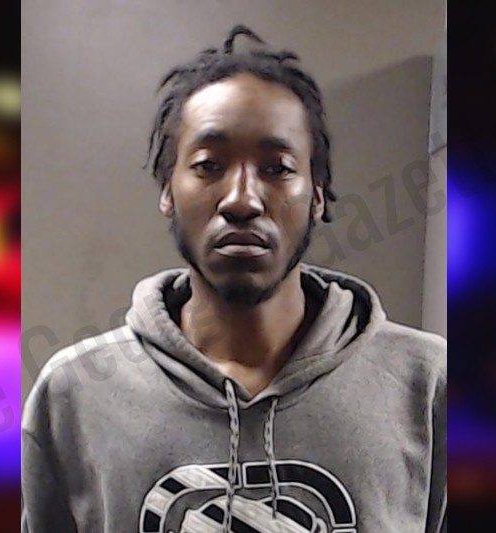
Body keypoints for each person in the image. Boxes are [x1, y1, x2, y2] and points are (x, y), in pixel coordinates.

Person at [22, 25, 446, 533]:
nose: (242, 200)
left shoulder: (427, 385)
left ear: (317, 196)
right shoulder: (73, 397)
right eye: (209, 165)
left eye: (277, 168)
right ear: (167, 191)